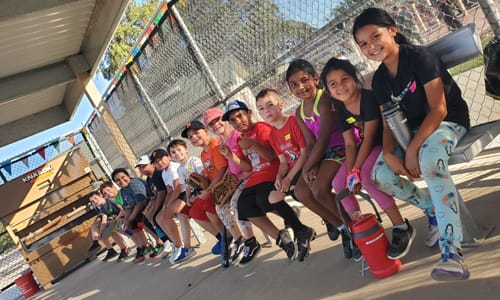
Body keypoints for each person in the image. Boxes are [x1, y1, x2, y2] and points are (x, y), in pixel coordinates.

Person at [353, 7, 471, 281]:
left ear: (392, 30)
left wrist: (413, 150)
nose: (371, 46)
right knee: (380, 174)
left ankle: (452, 253)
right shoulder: (380, 79)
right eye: (363, 44)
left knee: (430, 162)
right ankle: (433, 208)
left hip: (447, 122)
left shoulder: (419, 57)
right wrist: (388, 153)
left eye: (375, 36)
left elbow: (439, 109)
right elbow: (388, 121)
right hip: (416, 131)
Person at [320, 57, 415, 260]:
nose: (341, 86)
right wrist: (350, 170)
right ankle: (362, 227)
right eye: (333, 84)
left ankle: (401, 226)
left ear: (355, 78)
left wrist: (355, 171)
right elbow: (349, 144)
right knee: (339, 182)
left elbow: (370, 136)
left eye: (345, 79)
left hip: (384, 143)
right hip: (365, 147)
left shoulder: (368, 98)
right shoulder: (340, 108)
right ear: (328, 91)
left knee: (367, 176)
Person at [221, 99, 314, 263]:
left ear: (249, 114)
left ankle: (300, 230)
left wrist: (253, 144)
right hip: (256, 177)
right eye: (233, 120)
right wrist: (231, 156)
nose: (237, 122)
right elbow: (248, 167)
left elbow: (272, 156)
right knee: (242, 205)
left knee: (263, 200)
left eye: (240, 116)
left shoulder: (262, 128)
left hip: (273, 172)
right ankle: (281, 238)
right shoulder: (240, 139)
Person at [285, 59, 359, 260]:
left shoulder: (324, 99)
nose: (300, 87)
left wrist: (310, 166)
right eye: (294, 84)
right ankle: (343, 227)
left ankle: (355, 230)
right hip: (322, 153)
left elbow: (325, 136)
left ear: (315, 79)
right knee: (301, 191)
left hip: (339, 146)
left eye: (304, 80)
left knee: (318, 189)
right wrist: (311, 166)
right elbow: (310, 144)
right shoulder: (299, 112)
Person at [255, 88, 333, 261]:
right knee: (273, 198)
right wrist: (279, 177)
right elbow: (283, 161)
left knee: (295, 189)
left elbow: (304, 153)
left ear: (281, 105)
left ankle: (328, 217)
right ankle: (302, 230)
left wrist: (289, 178)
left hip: (306, 166)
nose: (266, 110)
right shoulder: (273, 135)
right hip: (291, 170)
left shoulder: (292, 121)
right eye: (261, 108)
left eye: (270, 105)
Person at [203, 107, 257, 264]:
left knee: (236, 203)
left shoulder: (237, 135)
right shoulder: (222, 140)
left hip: (249, 175)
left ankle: (250, 240)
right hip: (237, 177)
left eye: (217, 120)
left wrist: (237, 177)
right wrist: (224, 183)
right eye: (211, 124)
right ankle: (238, 238)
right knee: (220, 205)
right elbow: (228, 165)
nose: (215, 125)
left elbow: (249, 164)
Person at [180, 121, 228, 257]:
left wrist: (209, 190)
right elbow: (207, 174)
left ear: (206, 131)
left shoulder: (214, 145)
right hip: (213, 186)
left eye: (196, 133)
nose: (193, 137)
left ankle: (230, 237)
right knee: (194, 211)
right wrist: (196, 191)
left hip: (223, 184)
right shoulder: (203, 153)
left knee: (208, 207)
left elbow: (222, 170)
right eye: (190, 137)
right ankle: (221, 237)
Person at [151, 148, 196, 264]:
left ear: (168, 157)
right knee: (158, 218)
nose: (159, 163)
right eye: (156, 162)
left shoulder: (172, 168)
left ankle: (179, 245)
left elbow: (178, 188)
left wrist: (169, 203)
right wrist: (166, 204)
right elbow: (169, 190)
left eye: (161, 159)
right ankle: (174, 243)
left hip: (184, 193)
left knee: (166, 217)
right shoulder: (164, 172)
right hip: (176, 195)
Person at [110, 168, 157, 263]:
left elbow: (141, 202)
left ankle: (160, 242)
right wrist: (127, 221)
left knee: (140, 219)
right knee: (128, 225)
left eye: (123, 177)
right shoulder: (123, 191)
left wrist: (129, 218)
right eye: (118, 180)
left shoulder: (134, 184)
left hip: (149, 204)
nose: (121, 181)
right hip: (139, 208)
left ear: (128, 176)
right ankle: (144, 246)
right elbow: (127, 208)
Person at [135, 155, 173, 259]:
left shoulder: (157, 173)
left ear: (152, 164)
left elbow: (162, 194)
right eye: (140, 167)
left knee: (156, 217)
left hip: (169, 199)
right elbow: (153, 196)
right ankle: (166, 241)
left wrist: (154, 211)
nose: (142, 169)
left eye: (144, 166)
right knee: (146, 220)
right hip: (161, 201)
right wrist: (149, 211)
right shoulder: (148, 179)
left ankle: (173, 242)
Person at [88, 190, 129, 262]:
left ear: (100, 195)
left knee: (114, 227)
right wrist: (100, 233)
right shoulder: (101, 207)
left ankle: (141, 245)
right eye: (92, 201)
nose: (95, 201)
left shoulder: (110, 200)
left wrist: (115, 219)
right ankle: (123, 249)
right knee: (104, 232)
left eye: (95, 198)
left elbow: (122, 210)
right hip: (114, 220)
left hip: (124, 217)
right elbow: (104, 220)